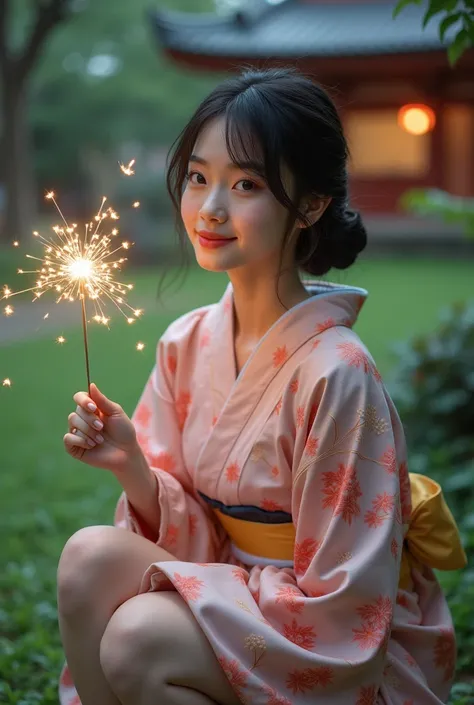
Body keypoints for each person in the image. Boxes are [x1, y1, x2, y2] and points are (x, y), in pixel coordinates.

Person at [57, 67, 467, 705]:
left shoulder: (338, 373)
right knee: (87, 558)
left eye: (246, 183)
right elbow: (198, 534)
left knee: (136, 637)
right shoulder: (185, 342)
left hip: (323, 625)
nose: (210, 208)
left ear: (310, 204)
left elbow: (346, 599)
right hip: (230, 580)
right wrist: (132, 465)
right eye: (198, 178)